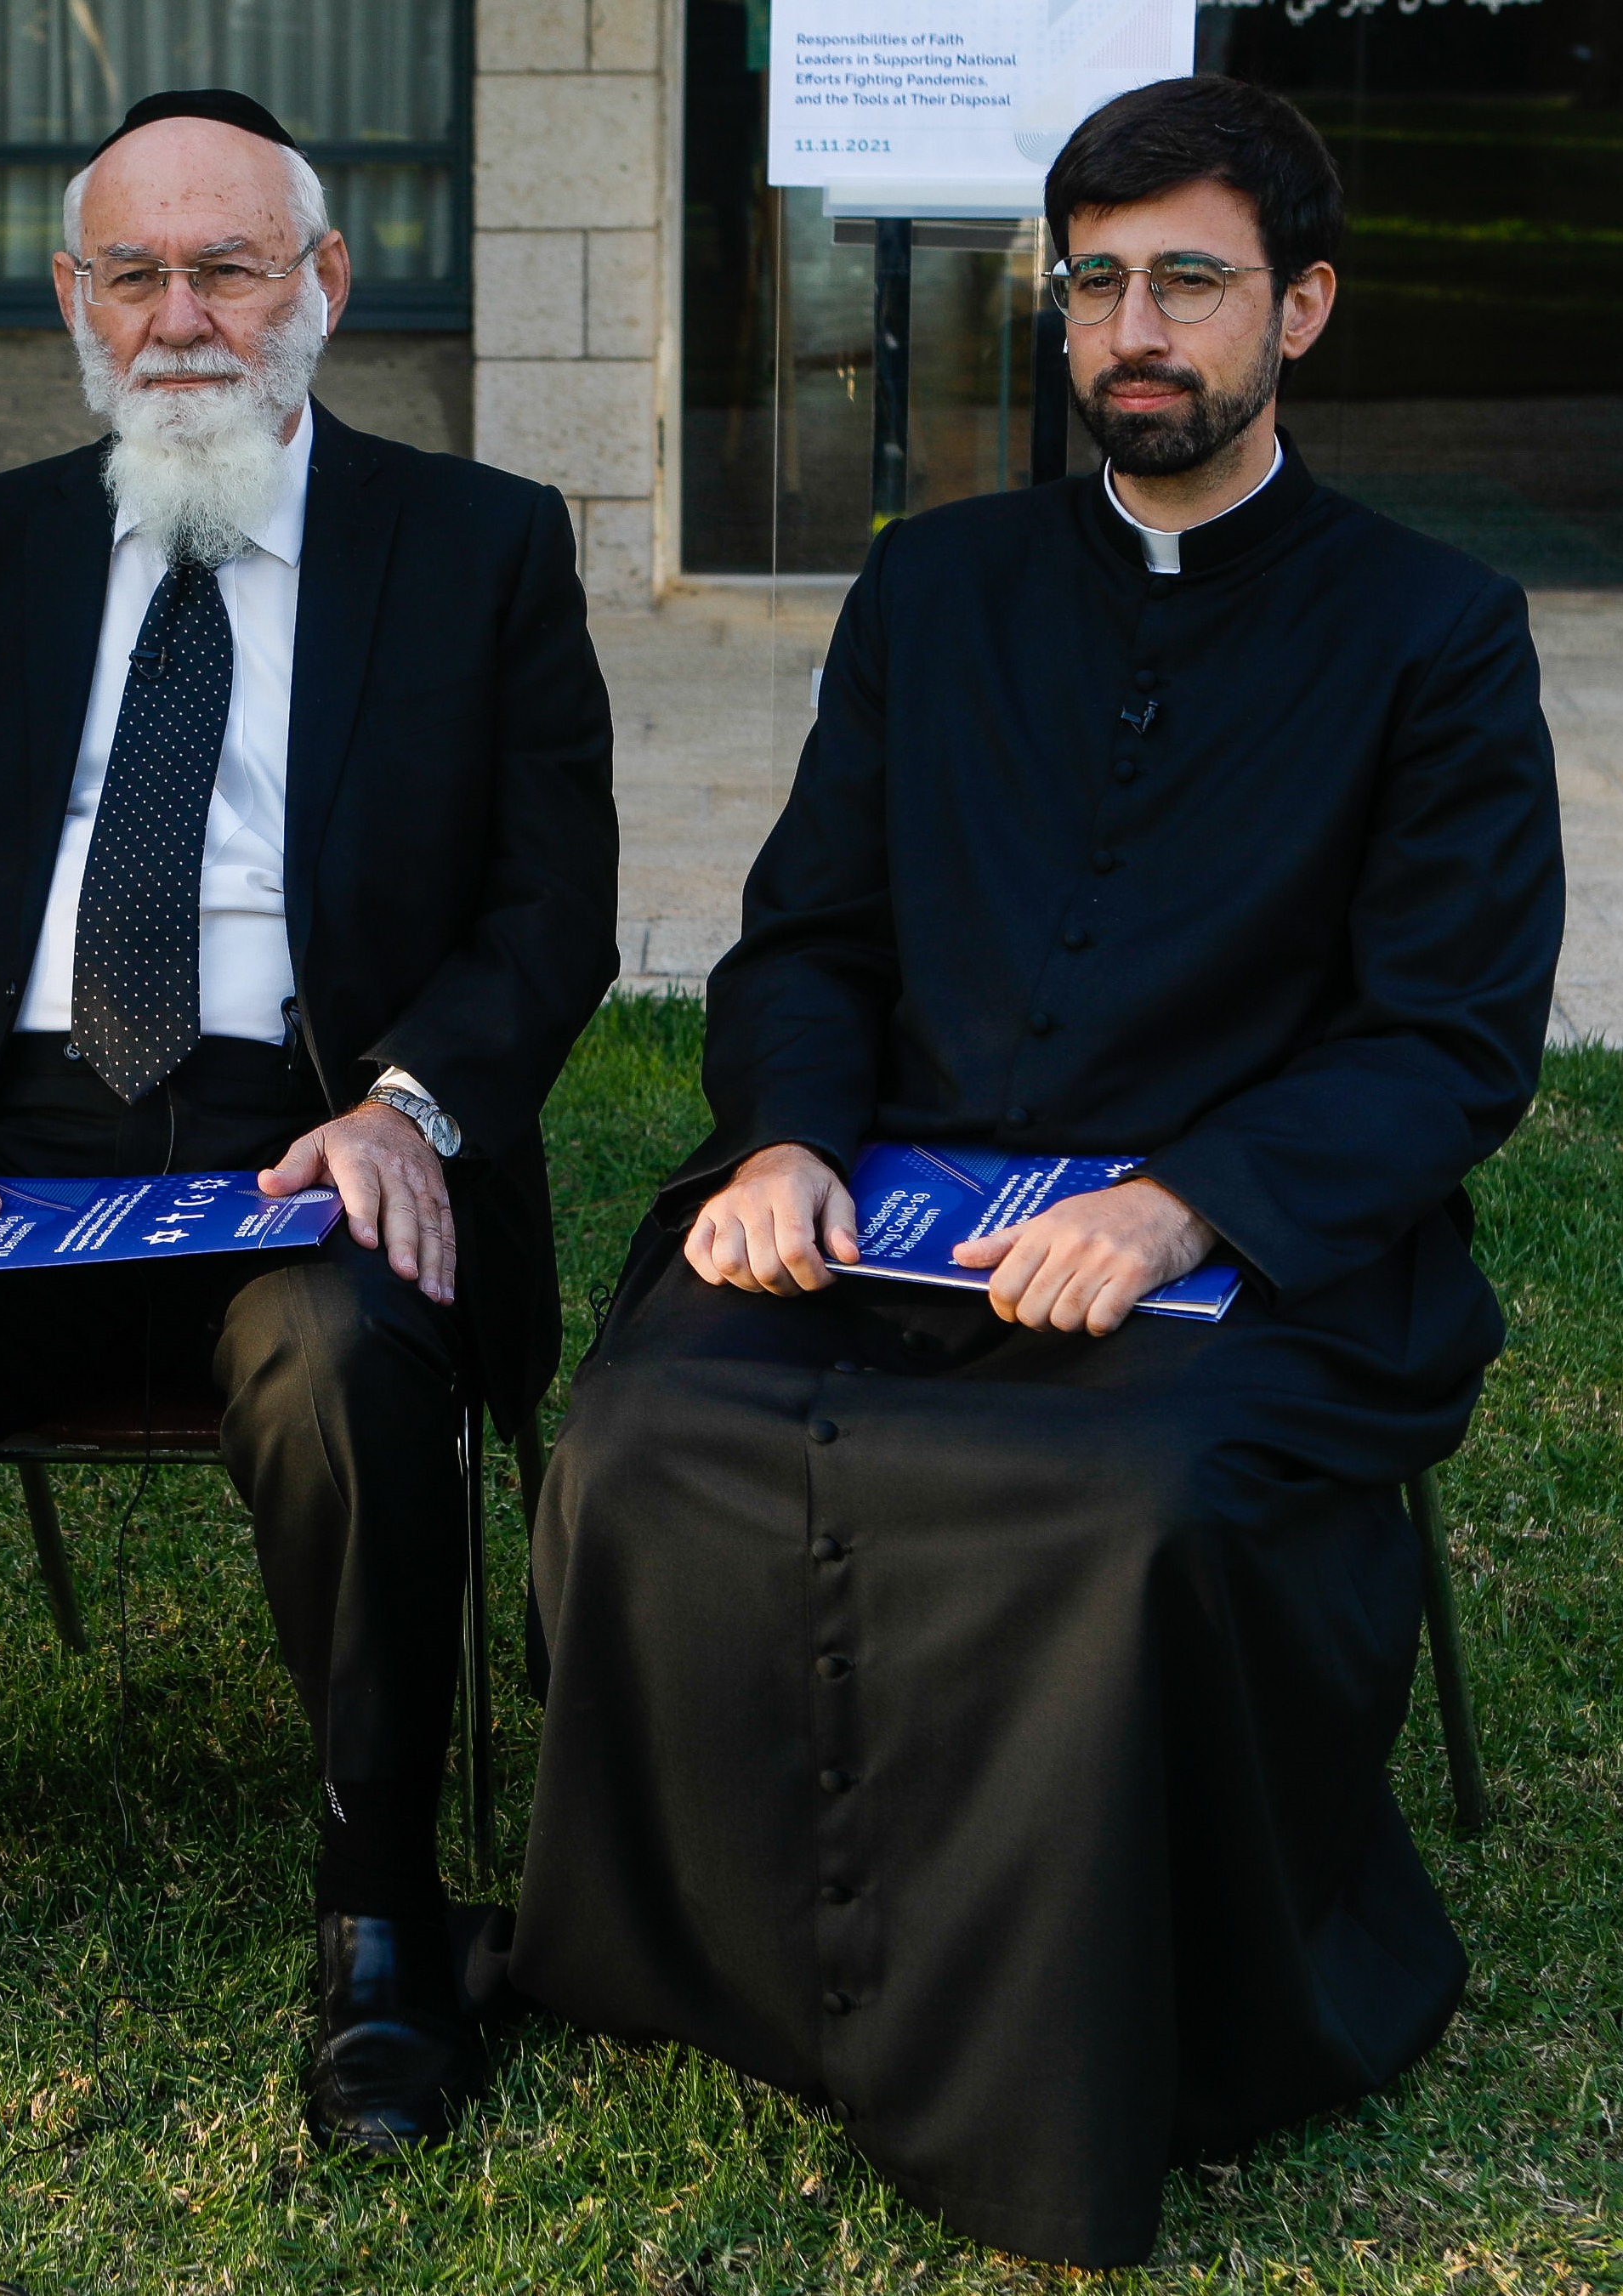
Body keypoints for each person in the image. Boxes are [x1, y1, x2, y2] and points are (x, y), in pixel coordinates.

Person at [510, 75, 1562, 2267]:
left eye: (1189, 279)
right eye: (1094, 283)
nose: (1132, 330)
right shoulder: (935, 593)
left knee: (1122, 1496)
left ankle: (1097, 2013)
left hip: (1255, 1253)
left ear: (1306, 308)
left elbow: (1446, 1036)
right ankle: (703, 1964)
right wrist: (790, 1136)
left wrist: (1184, 1201)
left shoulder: (1435, 633)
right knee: (646, 1426)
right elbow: (810, 933)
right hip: (896, 1194)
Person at [0, 89, 616, 2148]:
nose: (179, 319)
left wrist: (410, 1105)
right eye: (132, 272)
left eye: (226, 267)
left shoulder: (480, 545)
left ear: (320, 286)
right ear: (75, 297)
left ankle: (382, 1927)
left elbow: (553, 899)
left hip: (307, 1128)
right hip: (19, 1141)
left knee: (342, 1361)